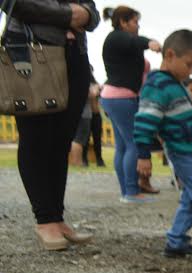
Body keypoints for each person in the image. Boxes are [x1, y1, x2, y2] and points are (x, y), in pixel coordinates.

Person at [7, 0, 99, 250]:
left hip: (75, 54)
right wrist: (69, 14)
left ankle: (57, 217)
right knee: (35, 136)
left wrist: (87, 15)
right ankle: (44, 219)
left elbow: (93, 13)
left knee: (61, 139)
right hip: (31, 51)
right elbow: (15, 4)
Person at [134, 30, 192, 260]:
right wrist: (143, 155)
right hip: (183, 152)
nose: (191, 72)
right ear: (169, 55)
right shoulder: (157, 85)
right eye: (189, 65)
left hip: (191, 152)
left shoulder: (173, 83)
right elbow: (144, 121)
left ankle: (176, 241)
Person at [99, 5, 161, 203]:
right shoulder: (117, 37)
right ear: (123, 22)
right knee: (133, 143)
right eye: (134, 21)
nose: (137, 26)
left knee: (123, 146)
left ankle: (127, 191)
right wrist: (150, 42)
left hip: (115, 97)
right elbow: (134, 41)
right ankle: (132, 192)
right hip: (121, 98)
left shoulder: (122, 43)